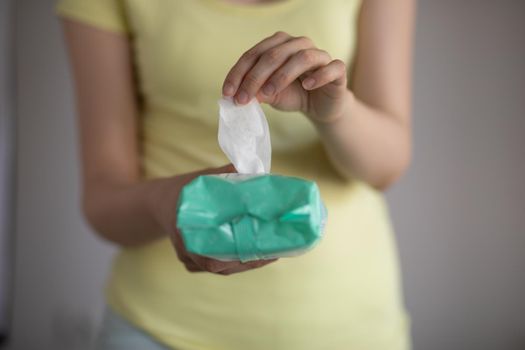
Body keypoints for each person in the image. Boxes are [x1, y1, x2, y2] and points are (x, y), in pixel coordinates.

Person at [57, 0, 414, 349]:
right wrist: (167, 203)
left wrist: (336, 111)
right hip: (162, 326)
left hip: (347, 325)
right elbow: (103, 199)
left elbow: (385, 168)